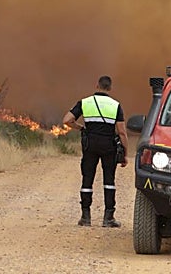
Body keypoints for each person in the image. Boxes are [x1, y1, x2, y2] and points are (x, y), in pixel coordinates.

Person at [62, 75, 128, 227]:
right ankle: (108, 218)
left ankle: (85, 217)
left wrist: (81, 128)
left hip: (90, 144)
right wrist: (124, 153)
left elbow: (66, 120)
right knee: (109, 181)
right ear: (110, 88)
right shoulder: (115, 105)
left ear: (97, 85)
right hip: (108, 145)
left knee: (87, 179)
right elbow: (122, 132)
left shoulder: (85, 102)